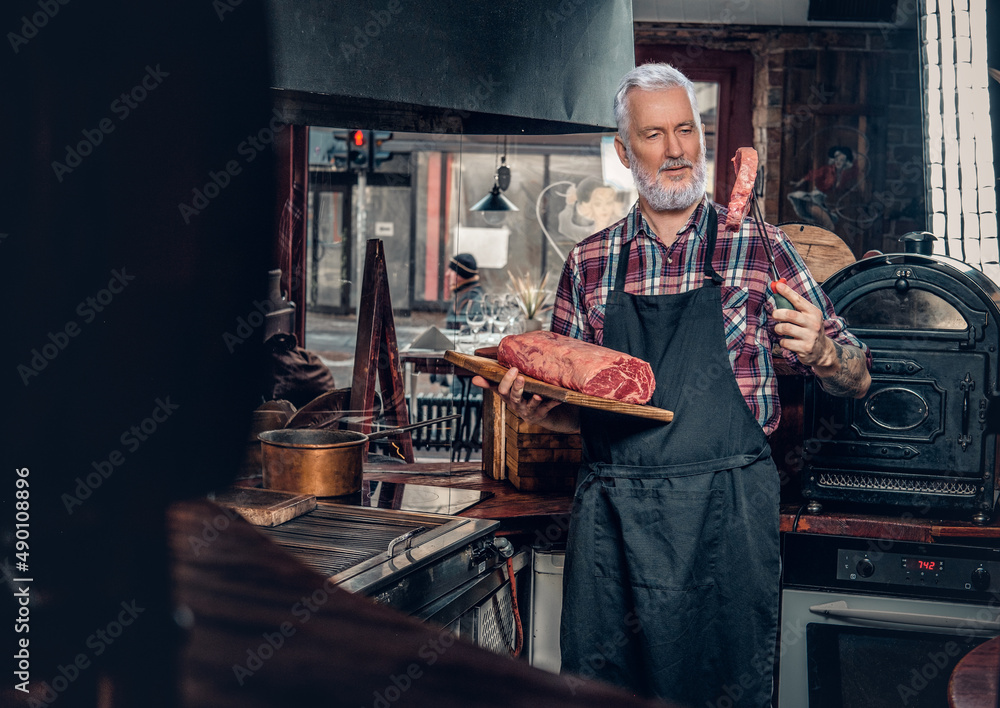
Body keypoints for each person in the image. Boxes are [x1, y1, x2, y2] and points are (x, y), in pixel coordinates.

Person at [474, 63, 871, 707]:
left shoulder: (761, 249)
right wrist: (543, 412)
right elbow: (580, 410)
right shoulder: (590, 262)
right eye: (655, 134)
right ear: (625, 151)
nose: (676, 149)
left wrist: (825, 352)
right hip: (615, 526)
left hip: (728, 516)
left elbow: (859, 372)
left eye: (686, 129)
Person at [787, 145, 860, 231]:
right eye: (837, 159)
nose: (838, 162)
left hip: (825, 203)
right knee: (829, 226)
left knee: (822, 227)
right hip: (814, 200)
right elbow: (812, 174)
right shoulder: (827, 170)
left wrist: (855, 158)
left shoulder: (843, 175)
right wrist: (798, 183)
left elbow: (856, 172)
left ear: (846, 162)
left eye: (842, 160)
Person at [557, 176, 625, 244]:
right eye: (598, 204)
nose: (604, 209)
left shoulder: (624, 227)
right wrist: (570, 204)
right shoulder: (586, 234)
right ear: (590, 206)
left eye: (608, 203)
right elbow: (565, 227)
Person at [444, 253, 485, 331]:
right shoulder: (462, 293)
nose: (447, 274)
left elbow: (475, 331)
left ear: (462, 274)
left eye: (452, 270)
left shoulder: (475, 298)